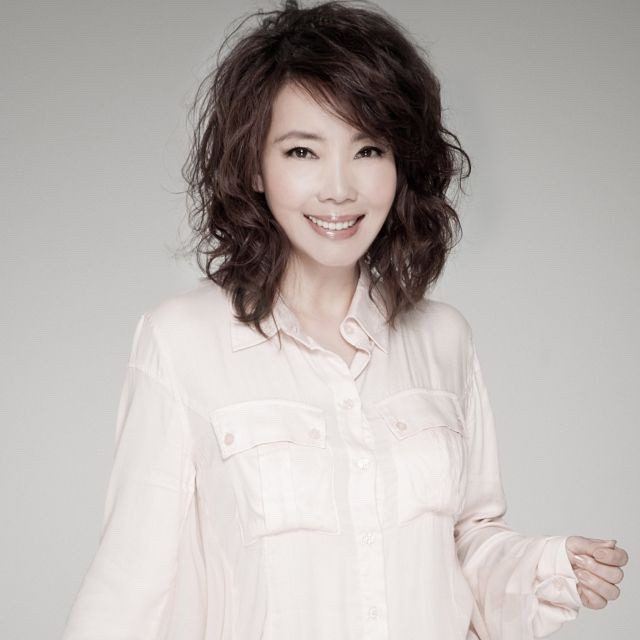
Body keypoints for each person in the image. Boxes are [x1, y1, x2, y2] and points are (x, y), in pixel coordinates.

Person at [61, 1, 627, 638]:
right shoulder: (181, 341)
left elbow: (462, 547)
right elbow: (131, 586)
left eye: (368, 149)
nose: (339, 189)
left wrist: (547, 567)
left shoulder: (443, 339)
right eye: (303, 151)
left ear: (400, 163)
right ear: (254, 166)